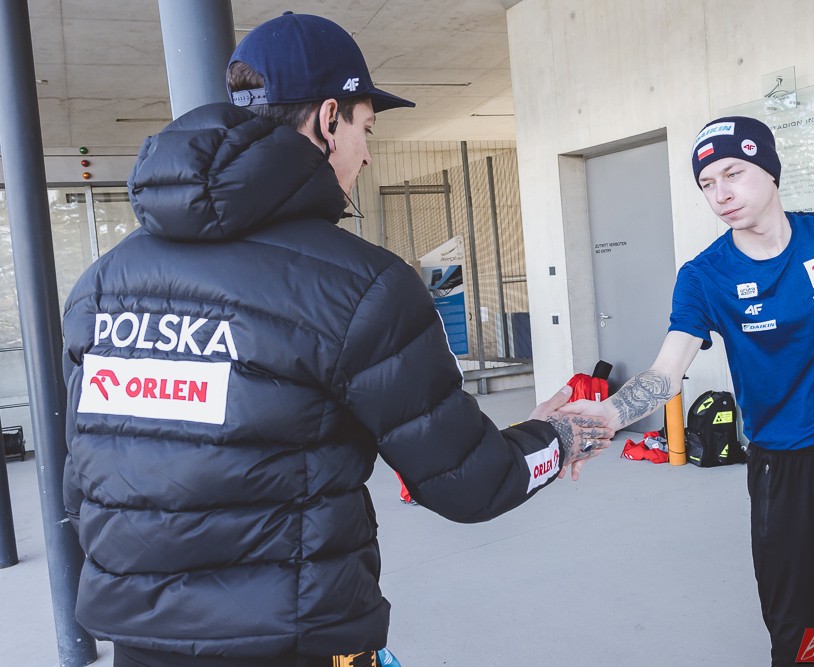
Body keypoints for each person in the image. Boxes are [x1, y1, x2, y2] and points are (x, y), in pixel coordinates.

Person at [61, 12, 610, 667]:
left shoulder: (101, 285)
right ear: (328, 119)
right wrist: (556, 437)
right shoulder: (361, 285)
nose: (368, 154)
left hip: (139, 644)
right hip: (291, 641)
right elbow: (470, 483)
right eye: (365, 128)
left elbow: (83, 482)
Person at [561, 116, 814, 666]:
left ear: (770, 170)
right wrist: (609, 415)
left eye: (733, 173)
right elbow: (668, 368)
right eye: (707, 184)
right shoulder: (705, 275)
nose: (720, 194)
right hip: (785, 466)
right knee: (794, 631)